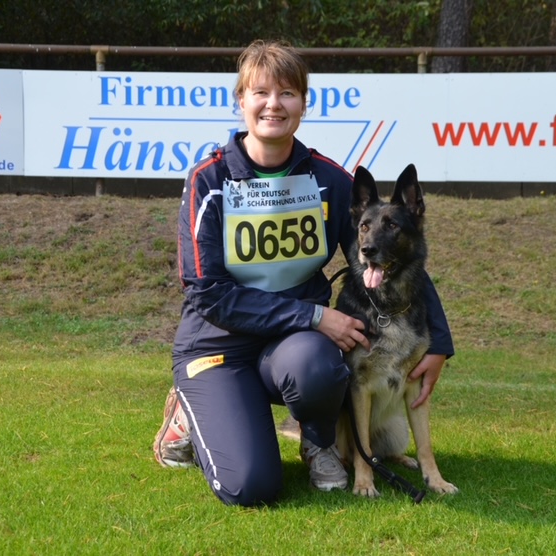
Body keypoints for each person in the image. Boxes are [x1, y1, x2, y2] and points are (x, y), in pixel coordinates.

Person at [153, 40, 454, 507]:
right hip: (218, 345)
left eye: (288, 93)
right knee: (252, 487)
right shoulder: (208, 182)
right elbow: (207, 294)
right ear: (241, 101)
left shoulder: (328, 182)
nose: (274, 104)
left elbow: (391, 257)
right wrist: (315, 318)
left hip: (291, 348)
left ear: (303, 104)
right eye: (261, 93)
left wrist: (439, 339)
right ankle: (187, 413)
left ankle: (319, 440)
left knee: (321, 364)